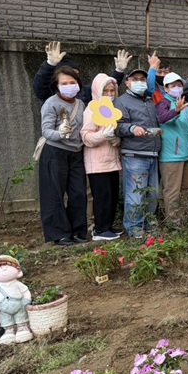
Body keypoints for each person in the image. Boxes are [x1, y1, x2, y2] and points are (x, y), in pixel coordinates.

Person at [38, 66, 88, 245]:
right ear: (57, 86)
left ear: (78, 84)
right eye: (64, 83)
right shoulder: (51, 103)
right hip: (54, 151)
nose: (69, 86)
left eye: (72, 82)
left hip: (76, 152)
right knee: (54, 193)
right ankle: (59, 234)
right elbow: (46, 131)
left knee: (78, 193)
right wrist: (60, 133)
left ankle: (78, 231)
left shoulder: (80, 104)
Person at [115, 69, 162, 238]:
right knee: (135, 194)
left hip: (153, 153)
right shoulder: (121, 101)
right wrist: (132, 128)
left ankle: (149, 223)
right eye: (135, 79)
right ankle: (134, 228)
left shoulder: (149, 101)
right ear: (127, 82)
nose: (140, 82)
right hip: (135, 155)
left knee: (152, 193)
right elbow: (117, 125)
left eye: (143, 79)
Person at [80, 74, 122, 241]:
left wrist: (115, 139)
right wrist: (104, 135)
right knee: (102, 197)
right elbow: (86, 137)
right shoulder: (92, 109)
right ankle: (100, 230)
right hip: (97, 162)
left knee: (112, 196)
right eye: (106, 91)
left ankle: (108, 226)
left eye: (112, 91)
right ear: (98, 91)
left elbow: (117, 139)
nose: (110, 94)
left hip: (112, 161)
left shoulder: (113, 111)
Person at [33, 41, 130, 105]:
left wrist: (119, 70)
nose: (72, 78)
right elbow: (40, 85)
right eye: (66, 78)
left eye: (75, 75)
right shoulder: (50, 95)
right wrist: (50, 64)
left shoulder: (86, 92)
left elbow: (104, 86)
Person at [156, 72, 188, 224]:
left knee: (185, 189)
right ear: (165, 88)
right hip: (171, 155)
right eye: (173, 86)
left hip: (185, 153)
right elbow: (163, 118)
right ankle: (172, 220)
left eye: (179, 85)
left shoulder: (184, 103)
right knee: (172, 191)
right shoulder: (164, 103)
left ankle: (183, 217)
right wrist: (176, 111)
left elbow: (186, 126)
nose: (177, 88)